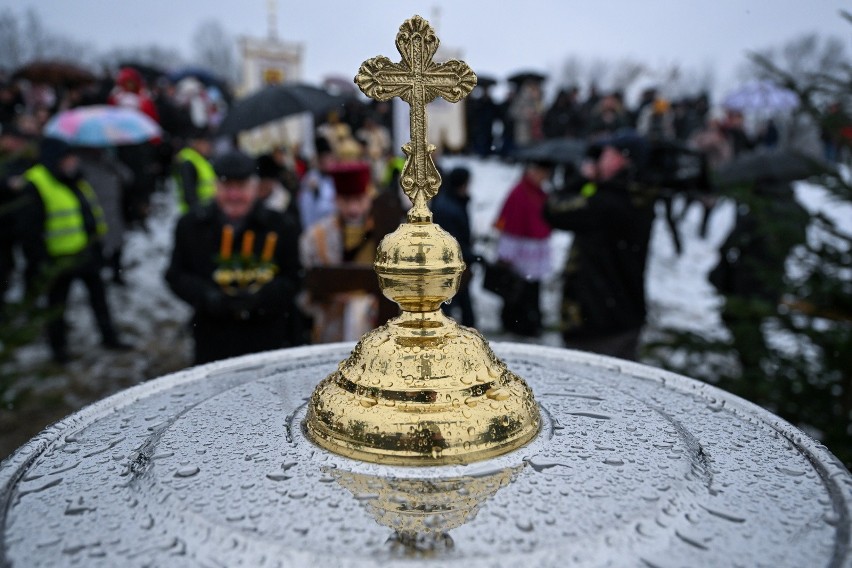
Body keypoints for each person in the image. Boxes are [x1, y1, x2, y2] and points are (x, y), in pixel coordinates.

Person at [165, 150, 302, 365]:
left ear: (255, 188)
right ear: (215, 187)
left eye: (242, 187)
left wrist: (260, 299)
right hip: (214, 336)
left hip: (268, 337)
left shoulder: (280, 225)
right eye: (227, 187)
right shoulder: (192, 226)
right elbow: (176, 276)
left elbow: (295, 277)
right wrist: (208, 296)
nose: (234, 196)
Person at [543, 134, 657, 360]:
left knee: (590, 388)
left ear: (622, 160)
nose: (599, 160)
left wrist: (581, 179)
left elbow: (553, 210)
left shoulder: (608, 202)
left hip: (597, 320)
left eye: (607, 154)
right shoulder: (637, 195)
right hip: (621, 313)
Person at [18, 137, 131, 363]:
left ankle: (109, 336)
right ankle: (58, 349)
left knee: (99, 298)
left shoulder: (75, 178)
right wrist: (41, 261)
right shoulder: (37, 183)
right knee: (57, 306)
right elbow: (29, 230)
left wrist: (97, 244)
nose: (73, 161)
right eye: (68, 158)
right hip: (58, 259)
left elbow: (88, 211)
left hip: (85, 253)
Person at [299, 162, 380, 343]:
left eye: (359, 199)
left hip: (376, 330)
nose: (353, 209)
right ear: (335, 199)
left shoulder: (386, 233)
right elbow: (307, 290)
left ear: (369, 196)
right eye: (346, 200)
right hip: (332, 331)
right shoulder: (315, 237)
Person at [493, 160, 554, 336]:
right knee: (517, 288)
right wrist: (507, 253)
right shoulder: (518, 192)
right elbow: (511, 223)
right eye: (541, 173)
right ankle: (518, 323)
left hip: (536, 249)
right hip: (519, 249)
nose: (543, 178)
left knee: (532, 288)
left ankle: (532, 321)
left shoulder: (540, 192)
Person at [432, 166, 476, 327]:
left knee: (459, 302)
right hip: (451, 266)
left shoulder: (452, 201)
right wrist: (471, 255)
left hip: (454, 263)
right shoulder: (449, 208)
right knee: (452, 303)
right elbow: (453, 240)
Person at [298, 137, 337, 231]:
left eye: (329, 158)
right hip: (317, 227)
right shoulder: (310, 180)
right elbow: (307, 209)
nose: (328, 162)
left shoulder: (335, 176)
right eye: (324, 158)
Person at [173, 129, 215, 214]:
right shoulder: (189, 163)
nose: (208, 146)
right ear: (195, 143)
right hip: (194, 213)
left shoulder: (201, 159)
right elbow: (189, 193)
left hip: (205, 210)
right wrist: (198, 212)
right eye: (205, 142)